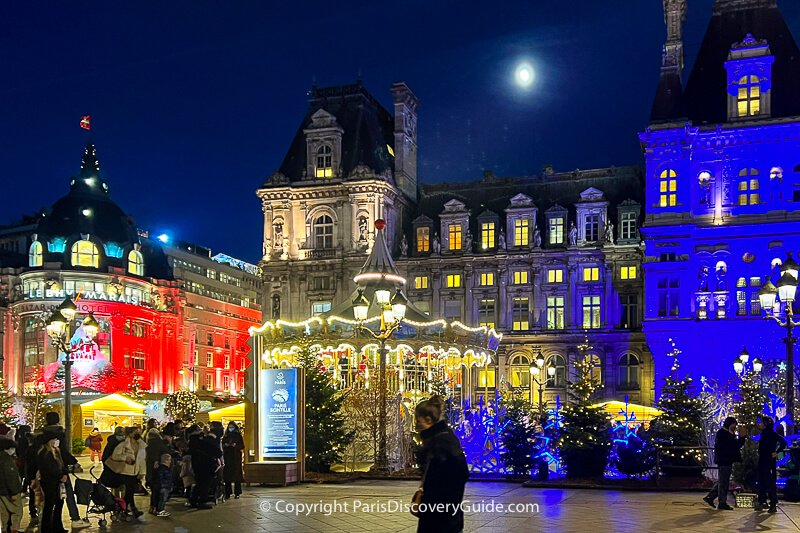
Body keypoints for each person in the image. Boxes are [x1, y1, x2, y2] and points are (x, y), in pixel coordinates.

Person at [412, 395, 469, 533]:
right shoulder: (445, 438)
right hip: (449, 515)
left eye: (418, 421)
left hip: (438, 517)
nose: (416, 426)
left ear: (428, 420)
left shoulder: (438, 444)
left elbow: (437, 481)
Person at [40, 412, 87, 530]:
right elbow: (64, 452)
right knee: (65, 496)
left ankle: (50, 525)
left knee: (50, 501)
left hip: (44, 474)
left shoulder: (41, 434)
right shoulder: (59, 434)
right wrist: (74, 463)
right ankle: (73, 519)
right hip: (59, 471)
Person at [703, 416, 746, 510]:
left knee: (723, 480)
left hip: (725, 460)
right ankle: (722, 502)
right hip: (724, 460)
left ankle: (710, 497)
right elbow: (734, 446)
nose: (735, 427)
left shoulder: (726, 433)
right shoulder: (724, 434)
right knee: (723, 482)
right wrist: (741, 438)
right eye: (734, 425)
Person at [107, 427, 145, 519]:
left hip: (135, 472)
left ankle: (122, 509)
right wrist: (125, 458)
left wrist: (142, 472)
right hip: (125, 471)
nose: (137, 434)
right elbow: (115, 456)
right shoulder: (124, 444)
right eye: (136, 432)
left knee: (129, 492)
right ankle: (131, 509)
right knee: (129, 491)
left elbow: (142, 460)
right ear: (130, 434)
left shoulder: (141, 445)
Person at [37, 433, 68, 533]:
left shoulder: (55, 451)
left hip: (56, 482)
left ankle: (57, 527)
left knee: (58, 504)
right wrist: (61, 476)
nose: (56, 441)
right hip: (50, 482)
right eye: (54, 439)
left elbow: (60, 466)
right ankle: (47, 528)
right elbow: (51, 468)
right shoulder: (46, 453)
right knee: (50, 505)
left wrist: (65, 472)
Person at [757, 416, 787, 513]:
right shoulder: (763, 434)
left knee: (770, 482)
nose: (760, 424)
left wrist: (776, 452)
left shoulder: (772, 434)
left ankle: (772, 503)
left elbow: (783, 442)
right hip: (762, 460)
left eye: (761, 422)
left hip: (769, 461)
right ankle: (762, 501)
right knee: (762, 481)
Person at [187, 425, 214, 509]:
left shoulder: (192, 440)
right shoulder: (200, 440)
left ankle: (194, 500)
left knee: (199, 483)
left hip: (197, 464)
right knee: (204, 483)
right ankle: (202, 501)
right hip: (204, 464)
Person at [146, 428, 171, 514]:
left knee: (154, 490)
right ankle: (158, 509)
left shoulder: (150, 444)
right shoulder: (158, 443)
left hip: (152, 470)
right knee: (158, 490)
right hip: (159, 469)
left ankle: (152, 507)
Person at [0, 438, 23, 533]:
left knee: (4, 513)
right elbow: (11, 477)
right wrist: (14, 492)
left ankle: (4, 530)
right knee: (17, 512)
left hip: (1, 491)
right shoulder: (6, 460)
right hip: (9, 492)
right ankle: (14, 530)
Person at [222, 422, 245, 499]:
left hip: (235, 458)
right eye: (229, 427)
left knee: (236, 476)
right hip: (228, 457)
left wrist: (235, 446)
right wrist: (226, 445)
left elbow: (242, 446)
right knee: (228, 476)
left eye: (232, 427)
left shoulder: (238, 436)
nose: (230, 428)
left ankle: (237, 492)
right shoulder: (226, 436)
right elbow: (223, 444)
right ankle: (228, 492)